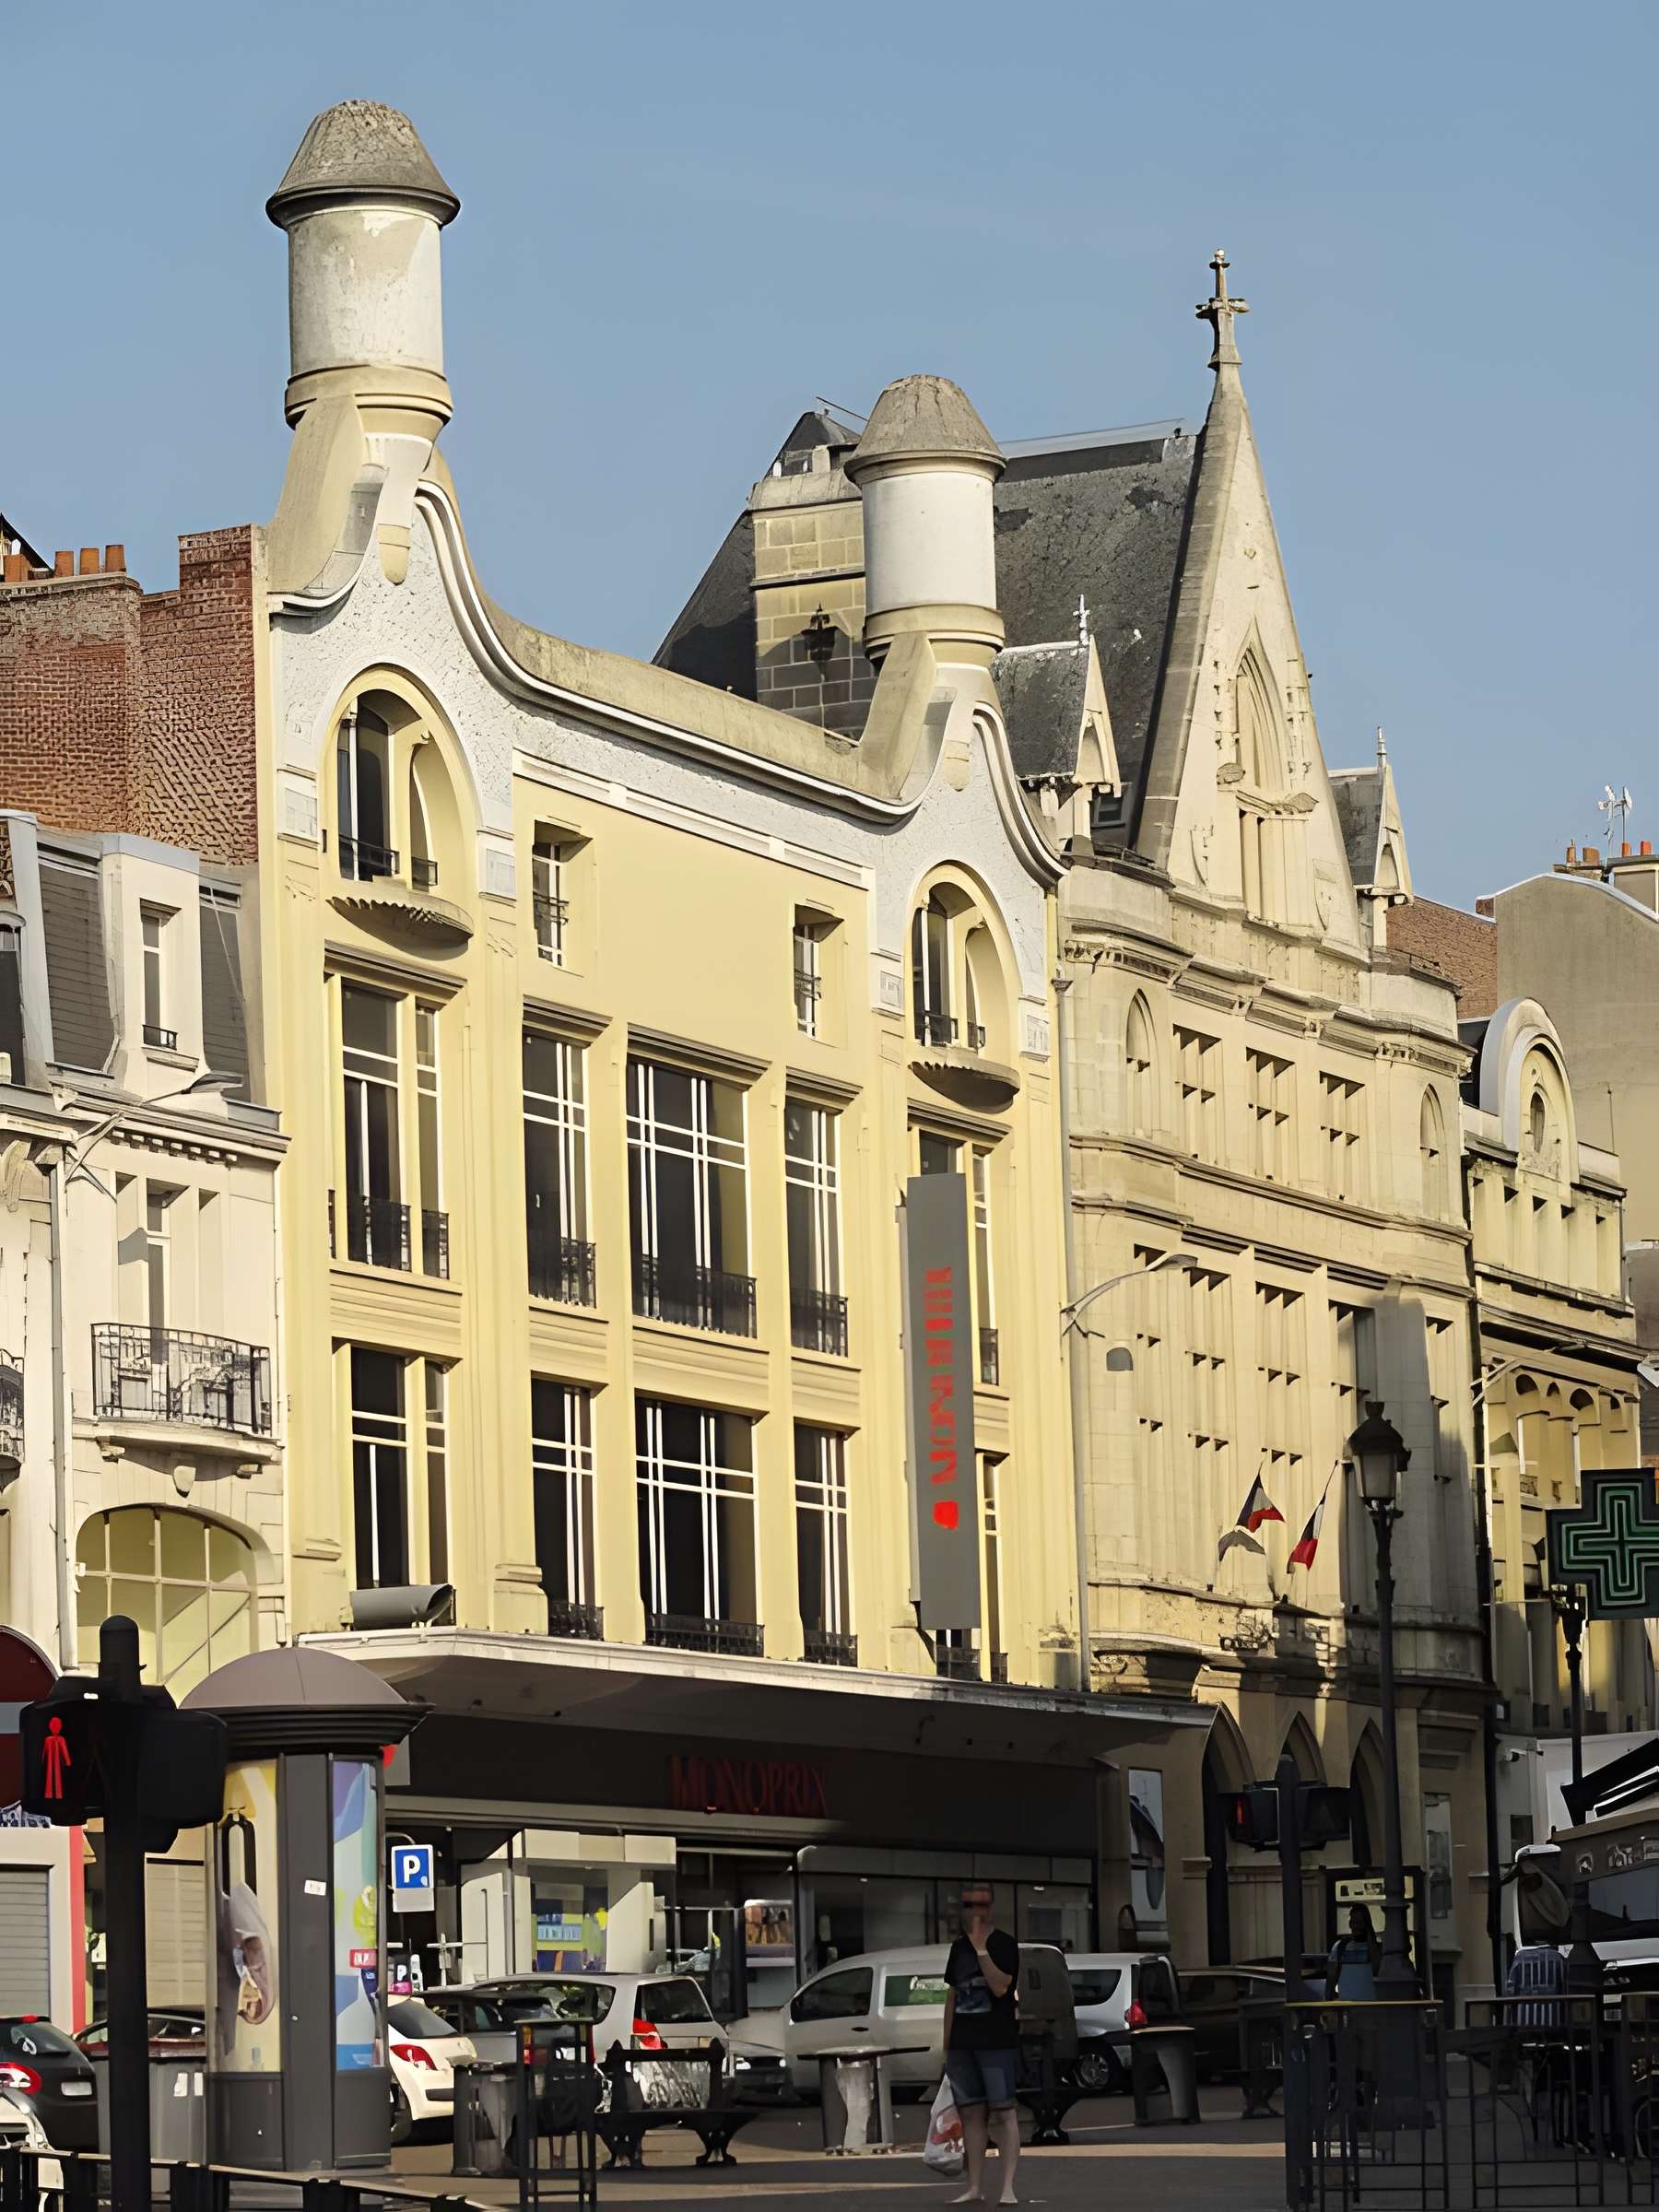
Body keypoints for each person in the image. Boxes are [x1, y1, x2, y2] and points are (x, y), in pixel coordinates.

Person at [942, 1884, 1020, 2206]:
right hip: (963, 2043)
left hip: (996, 2042)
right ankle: (975, 2186)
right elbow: (951, 1997)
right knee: (972, 2114)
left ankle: (1008, 2188)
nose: (976, 1911)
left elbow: (1002, 1987)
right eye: (970, 1905)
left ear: (990, 1908)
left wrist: (981, 1950)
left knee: (1005, 2113)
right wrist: (946, 2046)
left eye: (982, 1905)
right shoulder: (957, 1948)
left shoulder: (1004, 1944)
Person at [1326, 1904, 1381, 2001]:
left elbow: (1377, 1969)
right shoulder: (1340, 1947)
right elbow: (1331, 1978)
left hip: (1370, 2004)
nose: (1357, 1926)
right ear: (1350, 1924)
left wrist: (1371, 1938)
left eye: (1360, 1922)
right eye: (1354, 1922)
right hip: (1345, 2005)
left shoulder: (1376, 1948)